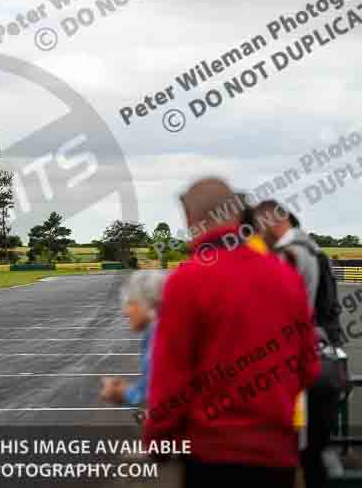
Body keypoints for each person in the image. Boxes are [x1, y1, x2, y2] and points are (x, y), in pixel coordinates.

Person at [144, 177, 320, 488]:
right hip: (276, 455)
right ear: (239, 217)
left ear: (191, 219)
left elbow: (171, 379)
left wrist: (157, 440)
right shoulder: (285, 275)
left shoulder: (187, 281)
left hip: (212, 456)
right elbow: (308, 367)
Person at [253, 199, 345, 488]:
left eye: (258, 227)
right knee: (314, 453)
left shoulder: (291, 254)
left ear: (272, 222)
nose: (258, 235)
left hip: (302, 362)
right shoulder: (313, 249)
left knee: (298, 454)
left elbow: (290, 313)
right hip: (326, 356)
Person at [101, 271, 167, 409]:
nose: (125, 311)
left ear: (147, 302)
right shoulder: (158, 331)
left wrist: (121, 394)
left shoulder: (161, 338)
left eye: (130, 303)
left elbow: (157, 397)